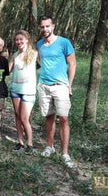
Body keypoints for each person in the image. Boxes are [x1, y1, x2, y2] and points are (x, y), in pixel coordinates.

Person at [37, 16, 76, 168]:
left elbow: (72, 64)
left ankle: (65, 153)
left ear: (53, 26)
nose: (45, 29)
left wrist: (69, 85)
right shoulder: (39, 44)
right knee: (48, 117)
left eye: (47, 26)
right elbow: (39, 61)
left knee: (64, 118)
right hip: (44, 86)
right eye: (42, 27)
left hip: (61, 86)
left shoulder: (64, 42)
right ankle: (50, 147)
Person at [9, 30, 38, 154]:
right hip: (15, 89)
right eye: (17, 40)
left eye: (21, 39)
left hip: (28, 91)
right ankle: (20, 142)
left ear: (27, 39)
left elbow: (46, 65)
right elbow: (7, 70)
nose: (19, 42)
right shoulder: (15, 55)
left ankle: (30, 144)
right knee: (17, 116)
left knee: (24, 118)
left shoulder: (34, 54)